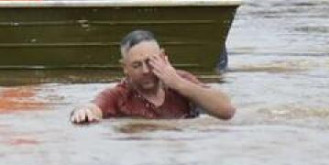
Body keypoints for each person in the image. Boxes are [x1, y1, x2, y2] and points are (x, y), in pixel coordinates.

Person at [70, 30, 236, 124]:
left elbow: (227, 110)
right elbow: (94, 107)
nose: (145, 71)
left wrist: (179, 84)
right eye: (136, 65)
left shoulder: (180, 81)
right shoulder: (119, 96)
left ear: (163, 57)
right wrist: (84, 112)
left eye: (150, 62)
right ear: (125, 68)